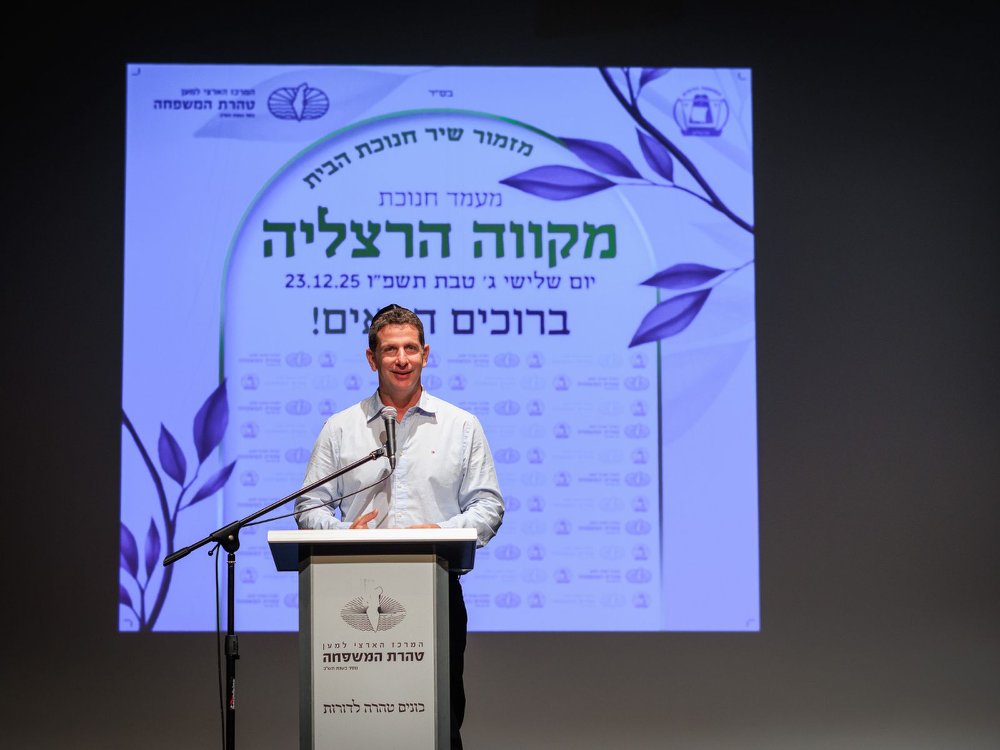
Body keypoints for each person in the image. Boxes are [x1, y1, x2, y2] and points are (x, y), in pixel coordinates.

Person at [295, 303, 504, 750]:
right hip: (350, 595)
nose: (402, 359)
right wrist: (344, 535)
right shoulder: (340, 428)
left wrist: (443, 533)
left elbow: (488, 506)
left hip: (436, 590)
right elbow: (309, 506)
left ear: (426, 354)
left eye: (411, 348)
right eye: (390, 350)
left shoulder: (461, 426)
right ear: (372, 359)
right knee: (356, 721)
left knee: (438, 720)